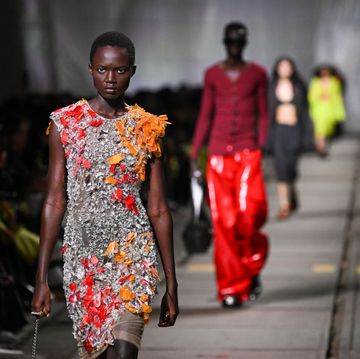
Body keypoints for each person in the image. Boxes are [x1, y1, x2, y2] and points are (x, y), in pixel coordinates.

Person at [32, 32, 179, 359]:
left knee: (125, 354)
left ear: (133, 71)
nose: (110, 79)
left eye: (120, 70)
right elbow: (55, 200)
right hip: (84, 262)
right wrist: (41, 277)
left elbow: (157, 208)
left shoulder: (148, 127)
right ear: (90, 69)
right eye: (102, 70)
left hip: (133, 255)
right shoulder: (65, 124)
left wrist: (172, 284)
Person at [191, 22, 269, 308]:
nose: (235, 44)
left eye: (240, 40)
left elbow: (264, 112)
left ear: (245, 43)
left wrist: (261, 145)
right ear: (225, 42)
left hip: (248, 152)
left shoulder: (258, 74)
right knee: (225, 223)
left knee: (249, 216)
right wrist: (194, 156)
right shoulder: (212, 74)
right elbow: (205, 114)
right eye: (231, 40)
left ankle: (251, 268)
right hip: (218, 155)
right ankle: (231, 288)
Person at [267, 57, 313, 220]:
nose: (285, 69)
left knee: (291, 168)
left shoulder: (299, 87)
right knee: (280, 168)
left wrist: (308, 135)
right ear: (277, 68)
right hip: (279, 130)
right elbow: (266, 113)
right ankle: (284, 205)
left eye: (288, 66)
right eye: (282, 66)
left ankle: (292, 193)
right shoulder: (271, 88)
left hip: (295, 130)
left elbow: (306, 113)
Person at [308, 65, 346, 157]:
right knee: (319, 130)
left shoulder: (334, 82)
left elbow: (338, 95)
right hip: (318, 109)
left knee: (327, 131)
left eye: (327, 71)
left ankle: (321, 146)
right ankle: (321, 147)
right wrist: (320, 97)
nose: (325, 73)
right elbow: (311, 96)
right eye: (323, 71)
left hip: (330, 109)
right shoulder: (315, 82)